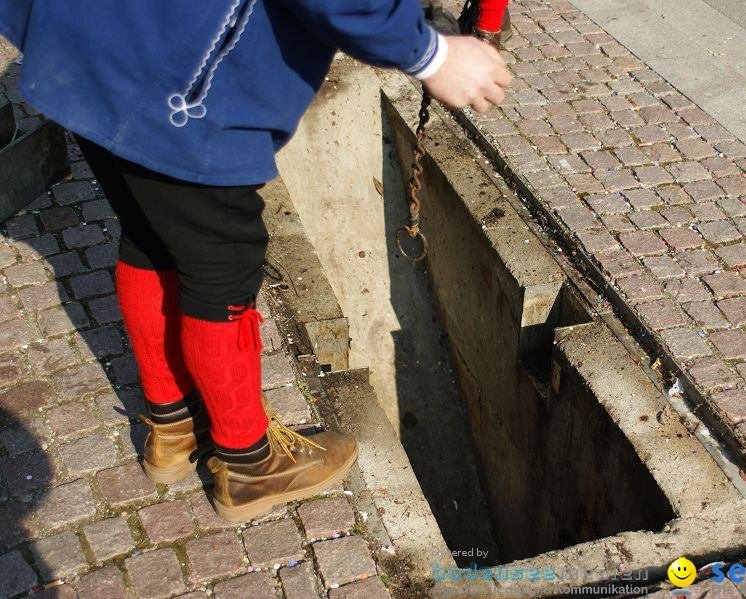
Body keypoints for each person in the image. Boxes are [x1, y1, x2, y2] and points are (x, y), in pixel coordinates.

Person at [0, 0, 511, 522]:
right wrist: (430, 54)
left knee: (151, 233)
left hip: (93, 35)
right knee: (222, 265)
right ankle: (248, 465)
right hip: (185, 82)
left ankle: (173, 427)